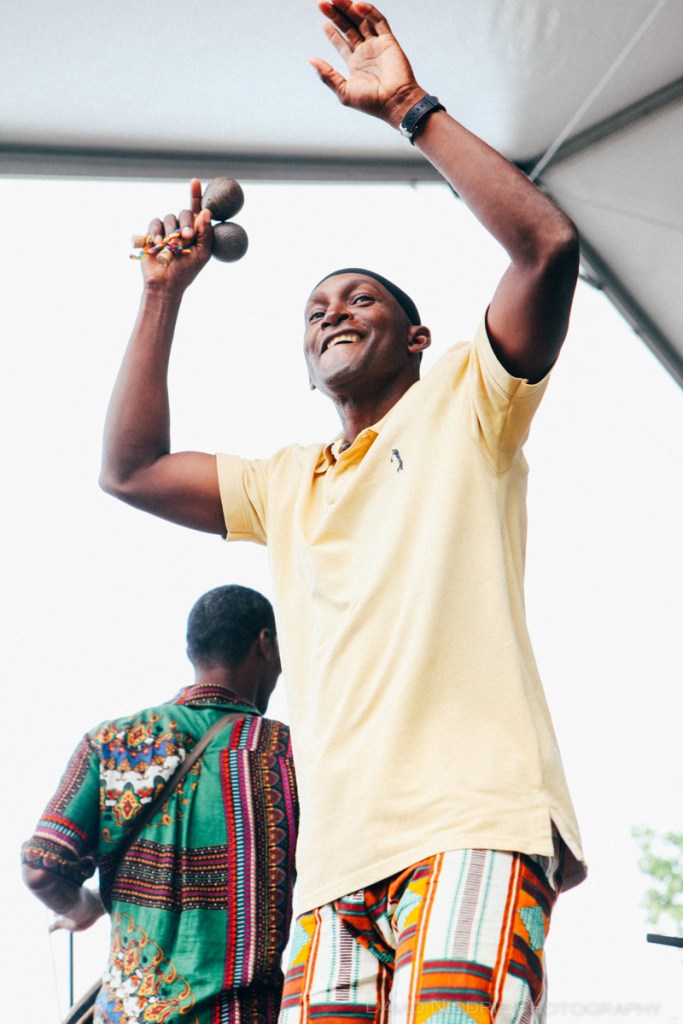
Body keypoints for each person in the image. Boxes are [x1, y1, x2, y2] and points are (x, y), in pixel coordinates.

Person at [99, 2, 587, 1019]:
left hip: (470, 824)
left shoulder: (467, 400)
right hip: (331, 872)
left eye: (360, 298)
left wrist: (408, 106)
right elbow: (133, 468)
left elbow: (543, 246)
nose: (330, 312)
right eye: (315, 308)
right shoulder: (289, 481)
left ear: (415, 338)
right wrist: (162, 292)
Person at [22, 585, 298, 1024]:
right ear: (265, 643)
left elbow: (42, 867)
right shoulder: (288, 753)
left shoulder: (111, 742)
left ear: (194, 650)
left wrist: (83, 906)